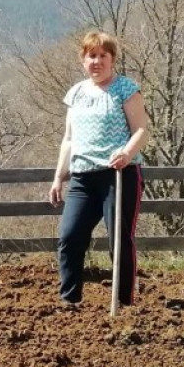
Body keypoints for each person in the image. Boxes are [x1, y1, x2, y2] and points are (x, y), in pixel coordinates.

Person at [49, 31, 148, 306]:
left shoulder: (126, 89)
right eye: (91, 56)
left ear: (112, 59)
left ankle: (124, 301)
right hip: (82, 176)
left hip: (118, 174)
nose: (97, 61)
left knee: (119, 238)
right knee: (70, 236)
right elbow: (68, 139)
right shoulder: (76, 94)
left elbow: (141, 129)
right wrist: (59, 177)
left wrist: (127, 154)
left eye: (103, 55)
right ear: (83, 60)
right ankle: (70, 300)